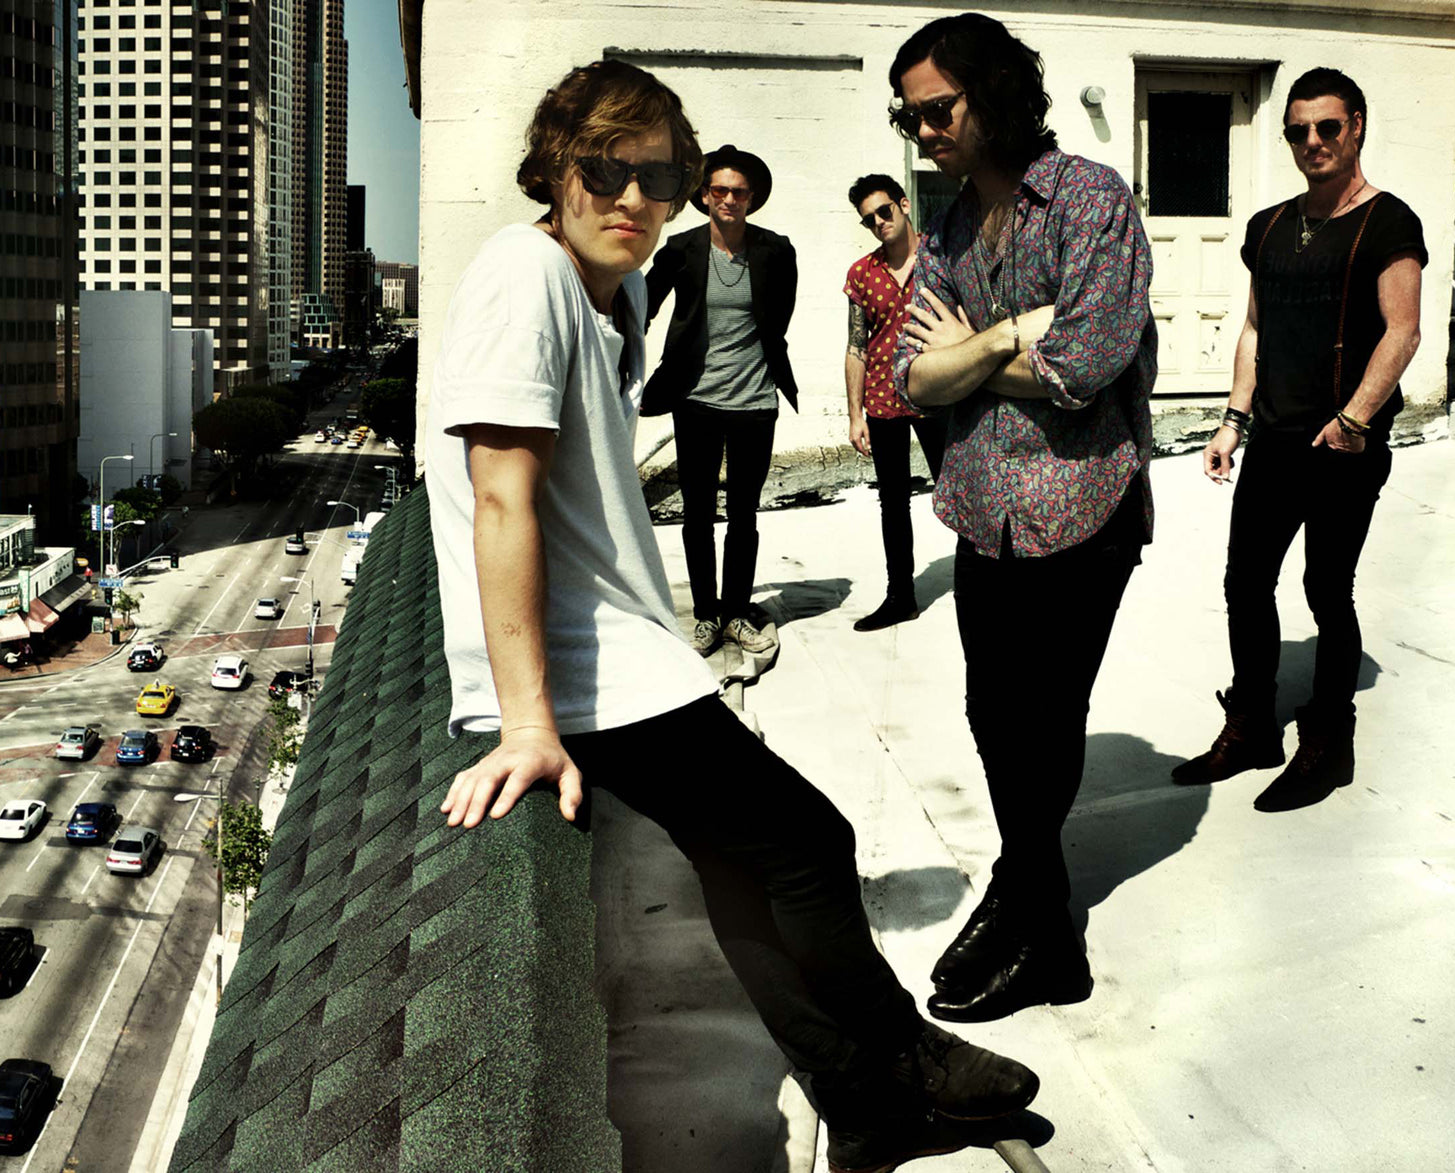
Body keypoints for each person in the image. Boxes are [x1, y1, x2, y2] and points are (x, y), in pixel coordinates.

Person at [426, 60, 1039, 1172]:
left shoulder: (598, 301)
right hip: (581, 671)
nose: (632, 198)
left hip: (618, 652)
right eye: (604, 171)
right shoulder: (525, 275)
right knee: (810, 843)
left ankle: (862, 1110)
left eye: (654, 176)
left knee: (740, 867)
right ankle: (904, 1060)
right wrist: (526, 723)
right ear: (555, 172)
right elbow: (499, 497)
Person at [888, 14, 1156, 1024]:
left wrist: (973, 359)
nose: (922, 132)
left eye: (939, 110)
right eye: (910, 117)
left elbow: (1086, 367)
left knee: (1043, 723)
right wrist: (1006, 335)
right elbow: (915, 376)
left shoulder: (1089, 199)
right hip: (981, 509)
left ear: (994, 92)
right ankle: (1028, 893)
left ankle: (1045, 933)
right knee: (993, 716)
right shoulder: (950, 225)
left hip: (1084, 512)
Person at [1173, 68, 1424, 812]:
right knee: (1245, 582)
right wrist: (1232, 420)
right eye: (1297, 131)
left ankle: (1329, 739)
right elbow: (1256, 329)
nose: (1312, 141)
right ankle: (1252, 725)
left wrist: (1354, 419)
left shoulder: (1388, 222)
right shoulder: (1270, 227)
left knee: (1325, 588)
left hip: (1345, 444)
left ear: (1356, 128)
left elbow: (1403, 331)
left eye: (1327, 127)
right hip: (1276, 438)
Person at [642, 143, 797, 657]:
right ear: (705, 196)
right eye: (720, 190)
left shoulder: (776, 252)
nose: (729, 199)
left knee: (745, 515)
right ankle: (707, 614)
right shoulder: (681, 251)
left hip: (755, 400)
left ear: (752, 198)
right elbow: (638, 309)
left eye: (739, 192)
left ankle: (736, 613)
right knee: (698, 513)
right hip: (697, 400)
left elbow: (778, 322)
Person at [843, 174, 949, 631]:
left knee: (960, 491)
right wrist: (854, 415)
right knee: (893, 502)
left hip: (939, 394)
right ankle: (900, 595)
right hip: (883, 402)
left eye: (884, 211)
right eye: (869, 219)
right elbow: (855, 346)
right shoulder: (862, 274)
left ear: (904, 205)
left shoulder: (943, 258)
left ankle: (980, 583)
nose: (879, 222)